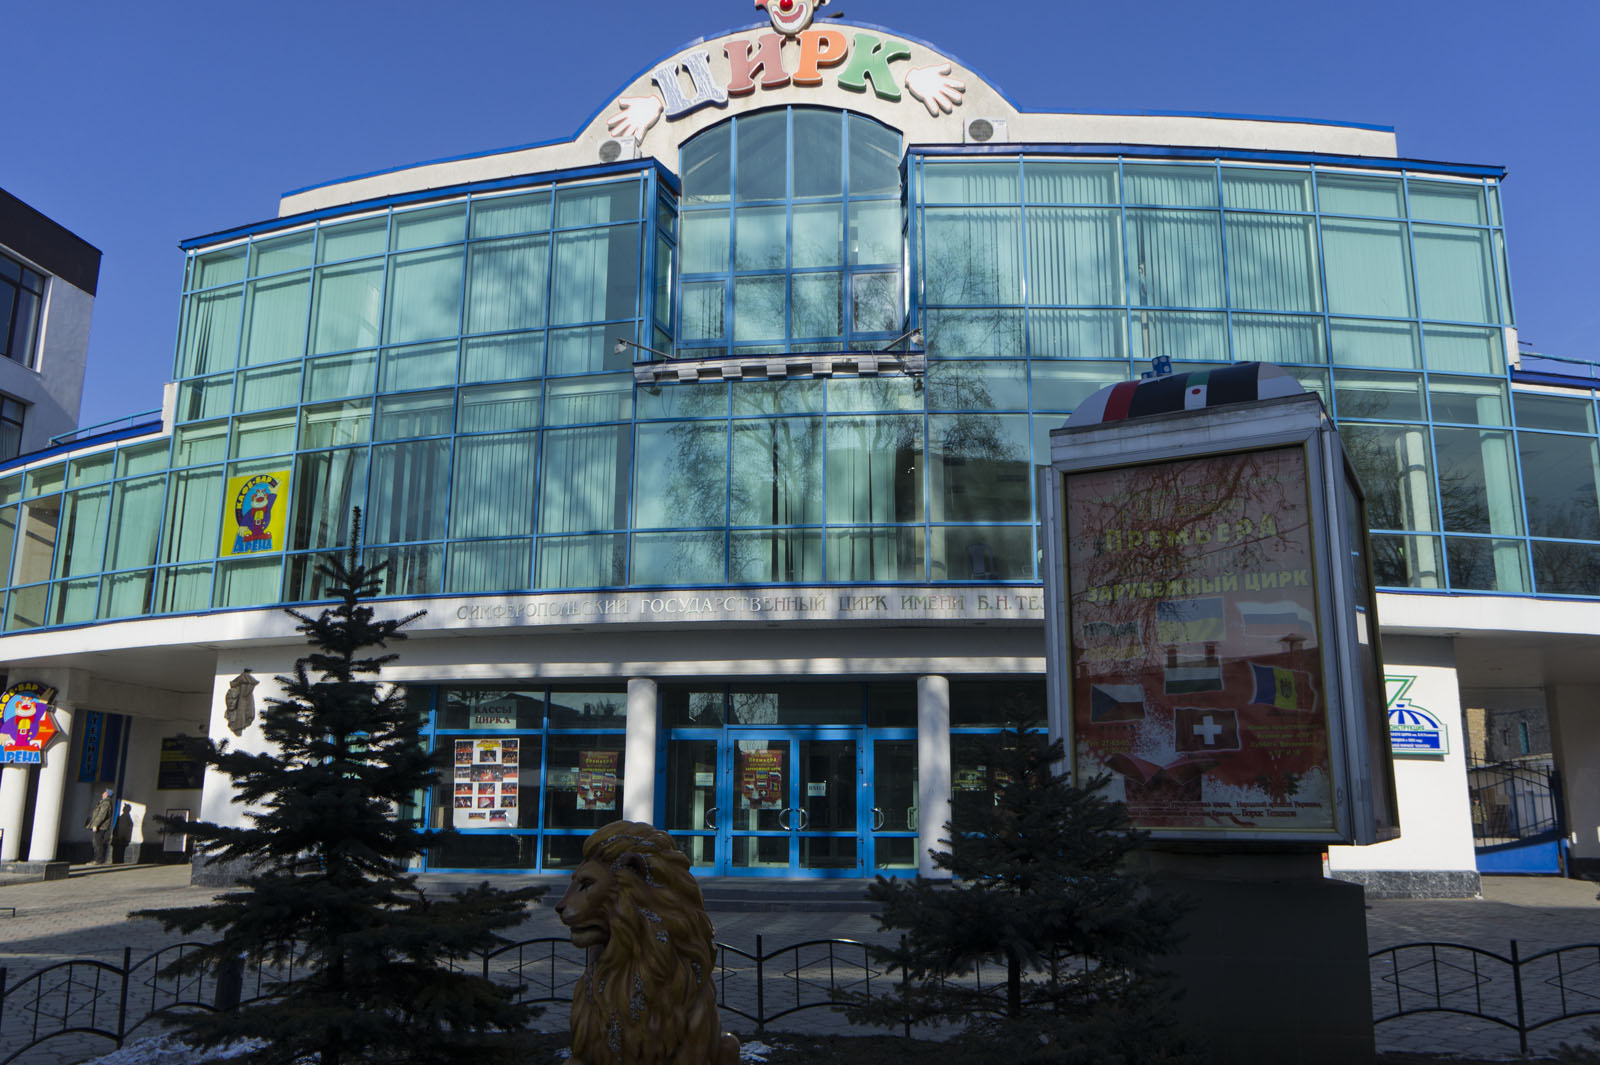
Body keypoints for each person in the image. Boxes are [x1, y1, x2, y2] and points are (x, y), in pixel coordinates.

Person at [85, 788, 114, 865]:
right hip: (100, 826)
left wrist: (96, 825)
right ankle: (96, 859)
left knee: (98, 843)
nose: (103, 793)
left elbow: (102, 815)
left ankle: (98, 859)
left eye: (104, 792)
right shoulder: (104, 802)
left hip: (101, 827)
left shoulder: (106, 803)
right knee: (96, 842)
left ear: (107, 794)